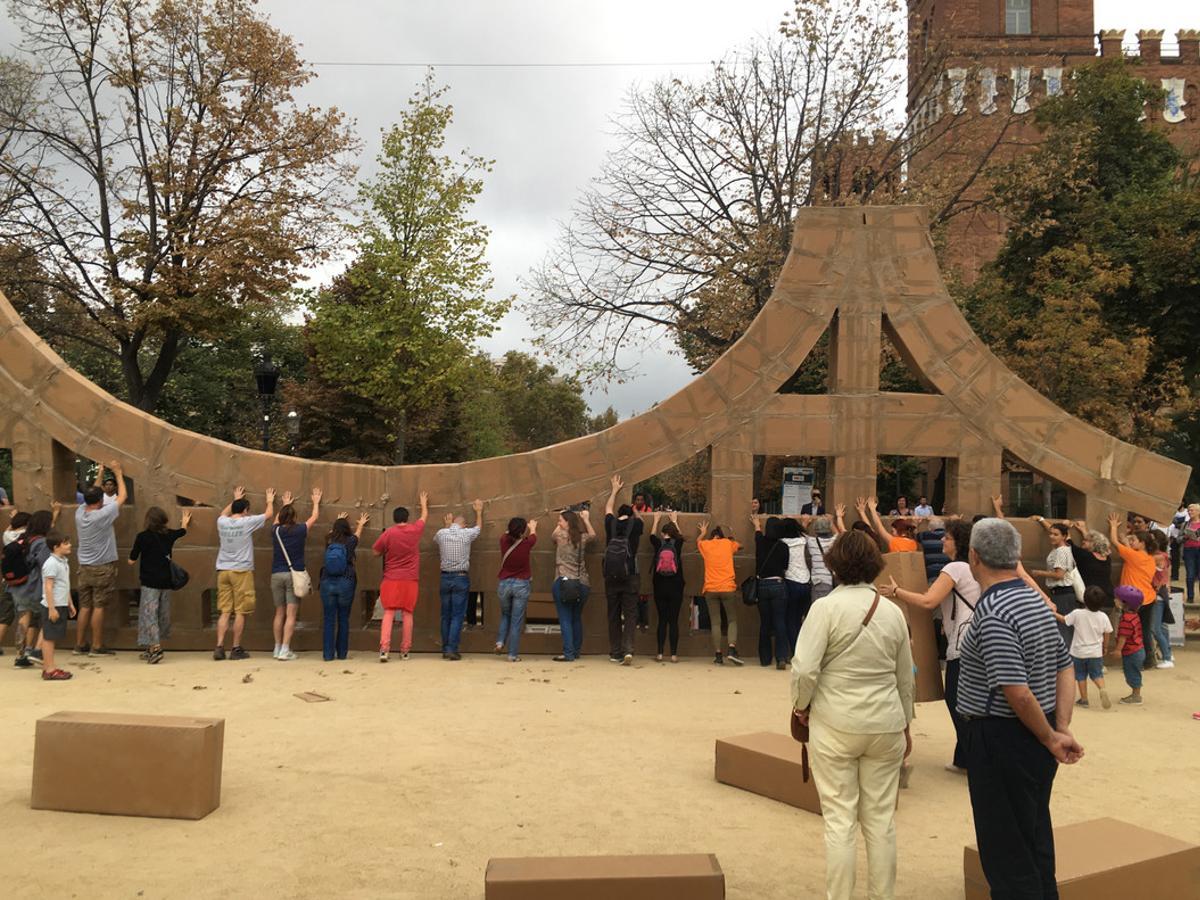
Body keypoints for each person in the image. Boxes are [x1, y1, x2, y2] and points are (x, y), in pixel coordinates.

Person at [956, 518, 1081, 898]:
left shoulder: (994, 611)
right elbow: (1065, 666)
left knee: (1006, 850)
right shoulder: (1036, 601)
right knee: (1033, 836)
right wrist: (1058, 727)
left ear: (974, 556)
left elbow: (1017, 692)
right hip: (1034, 731)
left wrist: (1050, 736)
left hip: (1002, 735)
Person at [790, 530, 915, 900]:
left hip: (836, 721)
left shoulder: (824, 608)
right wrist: (906, 723)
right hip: (886, 722)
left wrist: (801, 706)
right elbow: (905, 678)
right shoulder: (892, 612)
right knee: (880, 821)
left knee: (840, 821)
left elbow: (805, 670)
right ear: (875, 564)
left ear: (834, 564)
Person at [881, 519, 977, 774]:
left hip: (962, 646)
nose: (942, 541)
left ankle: (976, 760)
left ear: (958, 543)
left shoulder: (955, 568)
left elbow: (927, 601)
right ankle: (964, 758)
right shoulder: (975, 567)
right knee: (967, 703)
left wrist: (897, 591)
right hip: (976, 642)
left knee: (958, 703)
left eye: (947, 538)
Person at [73, 460, 128, 656]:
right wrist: (118, 472)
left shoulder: (80, 513)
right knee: (98, 607)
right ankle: (96, 646)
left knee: (85, 607)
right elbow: (123, 496)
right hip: (102, 567)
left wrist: (101, 472)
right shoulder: (103, 514)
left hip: (84, 567)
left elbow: (93, 493)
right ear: (101, 501)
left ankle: (79, 645)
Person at [215, 485, 275, 660]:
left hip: (223, 570)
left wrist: (235, 500)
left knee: (225, 611)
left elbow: (222, 514)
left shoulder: (222, 522)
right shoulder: (246, 522)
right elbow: (269, 514)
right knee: (241, 611)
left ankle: (219, 647)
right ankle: (236, 648)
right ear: (246, 511)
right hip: (241, 571)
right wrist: (270, 500)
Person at [128, 507, 191, 664]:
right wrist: (184, 523)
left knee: (149, 615)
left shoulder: (142, 537)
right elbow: (181, 532)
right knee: (161, 614)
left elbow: (132, 559)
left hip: (150, 583)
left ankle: (155, 648)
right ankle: (150, 648)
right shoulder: (169, 535)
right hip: (166, 582)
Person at [372, 492, 429, 662]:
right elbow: (424, 517)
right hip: (410, 579)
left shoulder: (389, 533)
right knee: (407, 614)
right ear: (407, 517)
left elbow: (375, 551)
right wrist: (423, 503)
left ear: (394, 518)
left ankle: (384, 649)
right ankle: (405, 651)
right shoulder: (415, 530)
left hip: (391, 579)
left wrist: (386, 551)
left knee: (388, 613)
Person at [270, 488, 322, 661]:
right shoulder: (300, 530)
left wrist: (285, 504)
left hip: (276, 574)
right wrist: (315, 502)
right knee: (291, 615)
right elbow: (314, 518)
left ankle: (277, 648)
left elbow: (277, 519)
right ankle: (285, 649)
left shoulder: (275, 531)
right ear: (294, 518)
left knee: (279, 613)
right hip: (293, 575)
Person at [9, 506, 60, 668]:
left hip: (19, 587)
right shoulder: (43, 543)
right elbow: (46, 565)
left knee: (24, 618)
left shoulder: (22, 539)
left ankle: (21, 655)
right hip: (35, 586)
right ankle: (38, 651)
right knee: (48, 617)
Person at [1107, 512, 1158, 670]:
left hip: (1136, 601)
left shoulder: (1134, 556)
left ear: (1142, 543)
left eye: (1133, 540)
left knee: (1133, 633)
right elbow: (1131, 553)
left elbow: (1114, 542)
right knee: (1144, 631)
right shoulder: (1148, 558)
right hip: (1148, 598)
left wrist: (1113, 526)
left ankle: (1140, 662)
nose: (1130, 541)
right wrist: (1127, 543)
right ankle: (1149, 660)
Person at [603, 475, 643, 665]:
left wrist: (614, 490)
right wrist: (636, 511)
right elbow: (641, 519)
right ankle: (628, 650)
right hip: (631, 574)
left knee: (613, 614)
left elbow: (607, 508)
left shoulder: (610, 524)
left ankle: (614, 652)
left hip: (610, 575)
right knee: (630, 613)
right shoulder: (636, 525)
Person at [436, 499, 483, 659]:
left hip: (445, 578)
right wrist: (478, 512)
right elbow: (478, 528)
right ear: (464, 525)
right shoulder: (466, 534)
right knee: (457, 615)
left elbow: (439, 538)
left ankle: (445, 648)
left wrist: (447, 526)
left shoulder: (442, 533)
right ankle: (452, 648)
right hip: (461, 577)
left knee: (445, 615)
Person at [319, 512, 368, 662]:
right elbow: (358, 534)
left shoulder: (328, 540)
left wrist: (338, 519)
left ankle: (328, 655)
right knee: (343, 619)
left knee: (328, 619)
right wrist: (361, 523)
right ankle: (341, 654)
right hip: (346, 581)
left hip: (327, 582)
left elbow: (331, 532)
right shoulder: (350, 541)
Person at [1054, 586, 1113, 709]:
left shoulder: (1078, 613)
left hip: (1078, 652)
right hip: (1095, 653)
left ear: (1084, 600)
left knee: (1080, 675)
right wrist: (1105, 647)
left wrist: (1052, 612)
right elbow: (1107, 632)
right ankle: (1102, 689)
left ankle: (1084, 699)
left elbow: (1064, 620)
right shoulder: (1103, 617)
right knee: (1097, 675)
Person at [696, 520, 743, 666]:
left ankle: (718, 654)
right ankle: (731, 649)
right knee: (731, 620)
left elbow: (698, 541)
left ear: (712, 536)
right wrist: (731, 535)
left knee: (715, 622)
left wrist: (702, 533)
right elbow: (740, 545)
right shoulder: (728, 544)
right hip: (728, 587)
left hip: (711, 589)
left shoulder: (706, 545)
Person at [551, 508, 595, 662]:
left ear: (567, 523)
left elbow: (553, 534)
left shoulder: (560, 536)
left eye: (560, 520)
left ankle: (568, 653)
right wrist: (586, 519)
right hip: (582, 583)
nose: (558, 523)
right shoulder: (582, 538)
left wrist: (563, 514)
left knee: (565, 618)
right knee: (576, 618)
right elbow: (593, 535)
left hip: (563, 582)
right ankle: (576, 651)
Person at [1030, 518, 1078, 648]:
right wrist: (1041, 520)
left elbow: (1059, 575)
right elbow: (1055, 529)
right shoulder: (1064, 547)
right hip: (1060, 594)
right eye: (1050, 534)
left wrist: (1039, 573)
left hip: (1063, 593)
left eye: (1056, 534)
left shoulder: (1061, 551)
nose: (1051, 536)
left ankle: (1067, 662)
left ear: (1064, 536)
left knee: (1063, 629)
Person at [496, 515, 537, 662]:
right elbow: (533, 535)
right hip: (521, 584)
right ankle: (512, 655)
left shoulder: (503, 540)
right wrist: (532, 526)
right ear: (522, 531)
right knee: (516, 620)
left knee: (505, 615)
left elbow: (508, 533)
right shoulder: (527, 543)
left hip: (504, 583)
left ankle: (500, 642)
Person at [752, 515, 790, 669]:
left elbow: (757, 533)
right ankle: (781, 657)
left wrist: (756, 523)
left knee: (765, 623)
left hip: (762, 585)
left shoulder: (760, 542)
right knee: (780, 622)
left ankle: (765, 658)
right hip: (778, 584)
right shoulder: (783, 546)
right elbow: (785, 566)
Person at [648, 510, 685, 662]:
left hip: (660, 586)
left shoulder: (658, 544)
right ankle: (674, 655)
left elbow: (651, 536)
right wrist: (675, 520)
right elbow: (681, 537)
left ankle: (660, 653)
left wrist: (656, 520)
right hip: (676, 586)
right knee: (674, 621)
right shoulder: (678, 544)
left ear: (663, 534)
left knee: (662, 620)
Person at [38, 531, 75, 681]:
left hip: (60, 603)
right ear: (55, 547)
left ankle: (48, 667)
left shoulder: (63, 561)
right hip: (52, 605)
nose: (69, 545)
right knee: (49, 638)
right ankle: (50, 669)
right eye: (65, 543)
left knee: (52, 637)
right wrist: (52, 608)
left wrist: (70, 602)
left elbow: (64, 585)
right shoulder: (51, 563)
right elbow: (48, 587)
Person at [0, 510, 32, 657]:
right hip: (23, 582)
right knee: (24, 615)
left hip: (7, 581)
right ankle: (22, 650)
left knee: (5, 616)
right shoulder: (27, 536)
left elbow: (8, 528)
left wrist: (13, 519)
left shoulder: (7, 536)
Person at [781, 517, 811, 658]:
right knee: (802, 619)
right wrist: (804, 523)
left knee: (791, 620)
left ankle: (795, 653)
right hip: (806, 582)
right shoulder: (802, 541)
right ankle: (805, 651)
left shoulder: (782, 543)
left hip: (791, 582)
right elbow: (803, 532)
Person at [1113, 585, 1146, 704]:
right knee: (1133, 672)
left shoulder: (1126, 619)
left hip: (1132, 652)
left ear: (1124, 602)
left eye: (1117, 599)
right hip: (1138, 649)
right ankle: (1135, 694)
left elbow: (1123, 637)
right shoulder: (1134, 616)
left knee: (1131, 673)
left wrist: (1117, 650)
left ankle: (1136, 696)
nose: (1114, 600)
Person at [1146, 530, 1174, 670]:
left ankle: (1167, 657)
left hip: (1158, 594)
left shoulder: (1158, 557)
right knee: (1161, 627)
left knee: (1155, 628)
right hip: (1161, 593)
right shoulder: (1162, 556)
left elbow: (1159, 572)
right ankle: (1168, 653)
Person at [807, 515, 837, 602]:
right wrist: (832, 522)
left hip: (819, 582)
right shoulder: (835, 541)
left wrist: (805, 523)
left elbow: (801, 535)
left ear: (816, 530)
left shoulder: (811, 542)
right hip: (832, 581)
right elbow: (839, 534)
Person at [1183, 503, 1200, 603]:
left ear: (1198, 512)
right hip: (1188, 550)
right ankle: (1190, 596)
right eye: (1189, 510)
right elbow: (1178, 539)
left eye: (1192, 510)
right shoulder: (1185, 524)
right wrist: (1184, 537)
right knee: (1190, 575)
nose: (1190, 512)